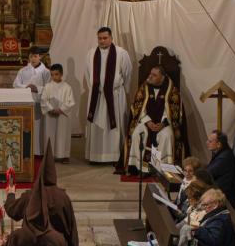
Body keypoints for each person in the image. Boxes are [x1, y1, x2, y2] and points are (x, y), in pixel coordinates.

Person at [3, 142, 79, 246]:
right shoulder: (63, 198)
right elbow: (71, 227)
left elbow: (12, 210)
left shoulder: (31, 196)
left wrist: (11, 194)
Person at [85, 27, 134, 165]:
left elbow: (128, 73)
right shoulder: (91, 54)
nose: (102, 41)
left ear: (111, 38)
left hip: (114, 95)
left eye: (105, 38)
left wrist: (122, 90)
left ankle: (114, 156)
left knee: (114, 126)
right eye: (100, 38)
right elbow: (88, 74)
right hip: (97, 96)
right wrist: (96, 89)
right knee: (96, 127)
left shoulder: (121, 53)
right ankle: (95, 156)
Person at [126, 65, 180, 176]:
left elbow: (173, 110)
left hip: (163, 124)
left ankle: (161, 169)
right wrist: (148, 122)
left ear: (162, 77)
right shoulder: (144, 87)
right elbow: (138, 107)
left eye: (154, 75)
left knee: (166, 136)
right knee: (137, 134)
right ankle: (139, 167)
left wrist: (163, 123)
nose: (150, 76)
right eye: (150, 74)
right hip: (146, 122)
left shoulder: (172, 90)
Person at [37, 63, 77, 159]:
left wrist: (60, 109)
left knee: (62, 135)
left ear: (61, 74)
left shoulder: (67, 87)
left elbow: (71, 102)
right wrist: (50, 109)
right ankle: (50, 156)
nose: (54, 77)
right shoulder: (48, 86)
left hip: (62, 115)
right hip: (50, 115)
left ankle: (63, 155)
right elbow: (43, 100)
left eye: (56, 74)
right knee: (49, 135)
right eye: (52, 74)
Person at [203, 130, 235, 206]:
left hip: (225, 199)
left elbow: (208, 174)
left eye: (210, 141)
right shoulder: (221, 153)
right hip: (219, 193)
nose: (207, 142)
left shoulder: (224, 158)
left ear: (219, 144)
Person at [14, 47, 51, 124]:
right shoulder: (23, 71)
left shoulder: (46, 72)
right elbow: (15, 85)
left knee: (39, 128)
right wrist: (27, 87)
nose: (33, 59)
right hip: (25, 104)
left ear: (40, 57)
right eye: (31, 56)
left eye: (35, 56)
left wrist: (37, 89)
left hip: (40, 103)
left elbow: (49, 89)